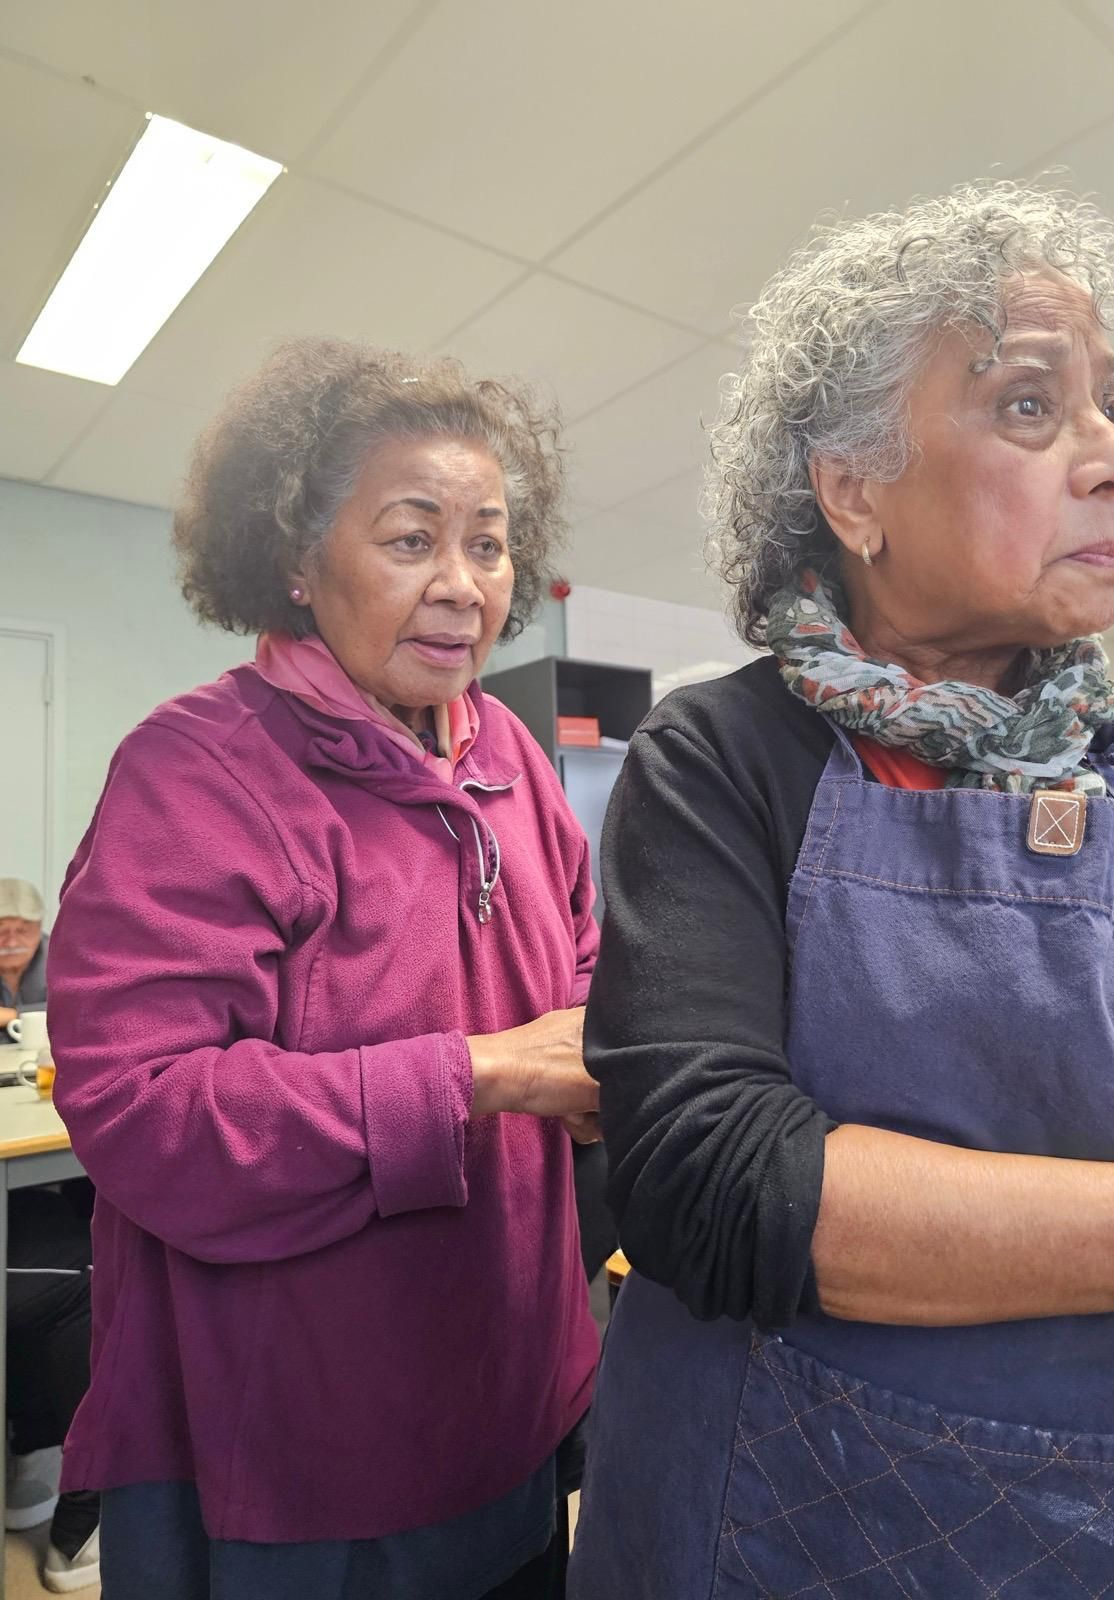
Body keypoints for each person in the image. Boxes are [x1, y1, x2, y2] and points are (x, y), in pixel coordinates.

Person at [570, 182, 1114, 1598]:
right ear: (855, 492)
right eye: (1030, 406)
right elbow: (703, 1175)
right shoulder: (726, 755)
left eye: (1108, 403)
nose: (1113, 456)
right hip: (792, 1514)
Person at [46, 340, 601, 1600]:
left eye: (489, 543)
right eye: (412, 539)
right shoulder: (199, 771)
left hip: (514, 1394)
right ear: (297, 561)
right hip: (304, 1459)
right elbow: (140, 1108)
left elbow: (579, 960)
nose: (462, 585)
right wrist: (479, 1075)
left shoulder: (508, 753)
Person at [0, 877, 99, 1590]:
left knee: (65, 1211)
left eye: (20, 927)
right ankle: (80, 1522)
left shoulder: (65, 962)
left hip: (44, 1134)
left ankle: (30, 1457)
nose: (9, 939)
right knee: (87, 1271)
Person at [0, 877, 47, 1022]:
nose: (12, 943)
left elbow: (80, 1007)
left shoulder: (65, 958)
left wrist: (12, 1015)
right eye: (1, 931)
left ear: (39, 927)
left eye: (23, 931)